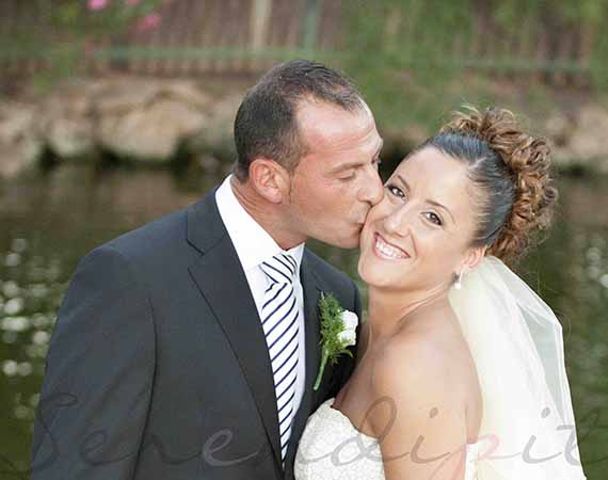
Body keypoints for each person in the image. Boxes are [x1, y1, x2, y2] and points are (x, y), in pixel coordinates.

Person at [31, 60, 384, 479]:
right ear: (270, 180)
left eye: (375, 162)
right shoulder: (130, 280)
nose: (375, 191)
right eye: (347, 174)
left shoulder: (338, 295)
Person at [294, 107, 587, 479]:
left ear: (469, 257)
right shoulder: (373, 334)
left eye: (433, 218)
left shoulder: (414, 365)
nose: (395, 222)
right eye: (398, 191)